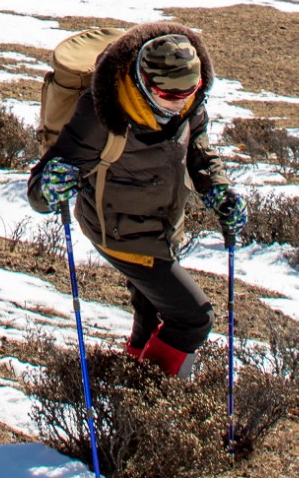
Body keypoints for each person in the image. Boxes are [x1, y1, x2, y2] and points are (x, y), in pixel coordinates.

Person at [28, 24, 246, 378]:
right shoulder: (103, 113)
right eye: (167, 95)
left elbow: (199, 148)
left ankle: (130, 386)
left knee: (152, 314)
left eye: (189, 94)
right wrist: (50, 188)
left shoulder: (188, 100)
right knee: (193, 319)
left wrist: (218, 189)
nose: (178, 105)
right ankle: (152, 395)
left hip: (163, 227)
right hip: (119, 232)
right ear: (144, 82)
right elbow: (42, 185)